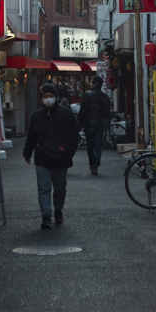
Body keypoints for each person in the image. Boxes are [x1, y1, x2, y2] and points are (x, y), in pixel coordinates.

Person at [23, 83, 78, 228]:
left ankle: (58, 210)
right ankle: (46, 215)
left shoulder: (66, 114)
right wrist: (27, 153)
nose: (48, 99)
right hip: (42, 158)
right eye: (45, 96)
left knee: (60, 188)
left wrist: (69, 153)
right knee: (44, 187)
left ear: (56, 97)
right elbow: (31, 137)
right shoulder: (36, 116)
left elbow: (74, 135)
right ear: (41, 98)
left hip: (62, 157)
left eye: (51, 96)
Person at [77, 76, 112, 175]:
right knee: (97, 145)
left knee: (90, 145)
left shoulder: (88, 95)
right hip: (99, 124)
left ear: (96, 83)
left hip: (88, 125)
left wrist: (79, 123)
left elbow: (82, 111)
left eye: (92, 82)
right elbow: (107, 112)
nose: (90, 84)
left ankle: (92, 164)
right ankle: (96, 164)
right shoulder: (105, 97)